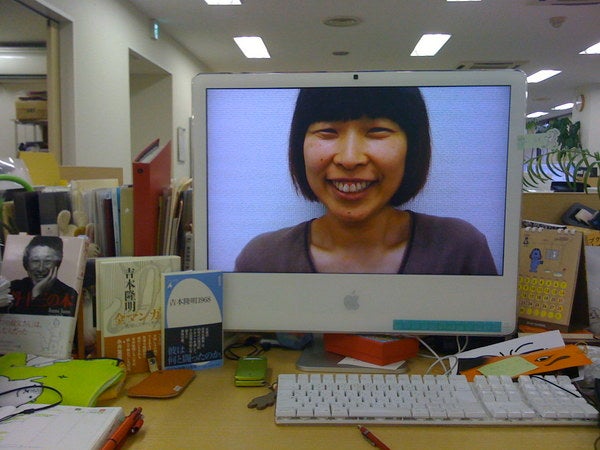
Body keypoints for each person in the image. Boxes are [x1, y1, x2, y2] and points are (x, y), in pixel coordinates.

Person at [235, 87, 497, 275]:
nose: (350, 159)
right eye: (327, 131)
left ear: (412, 147)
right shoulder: (262, 259)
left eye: (377, 131)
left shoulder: (459, 250)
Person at [7, 235, 79, 316]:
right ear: (27, 263)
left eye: (47, 261)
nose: (41, 268)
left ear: (57, 264)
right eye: (35, 261)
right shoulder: (12, 288)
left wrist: (37, 294)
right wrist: (35, 293)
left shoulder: (69, 294)